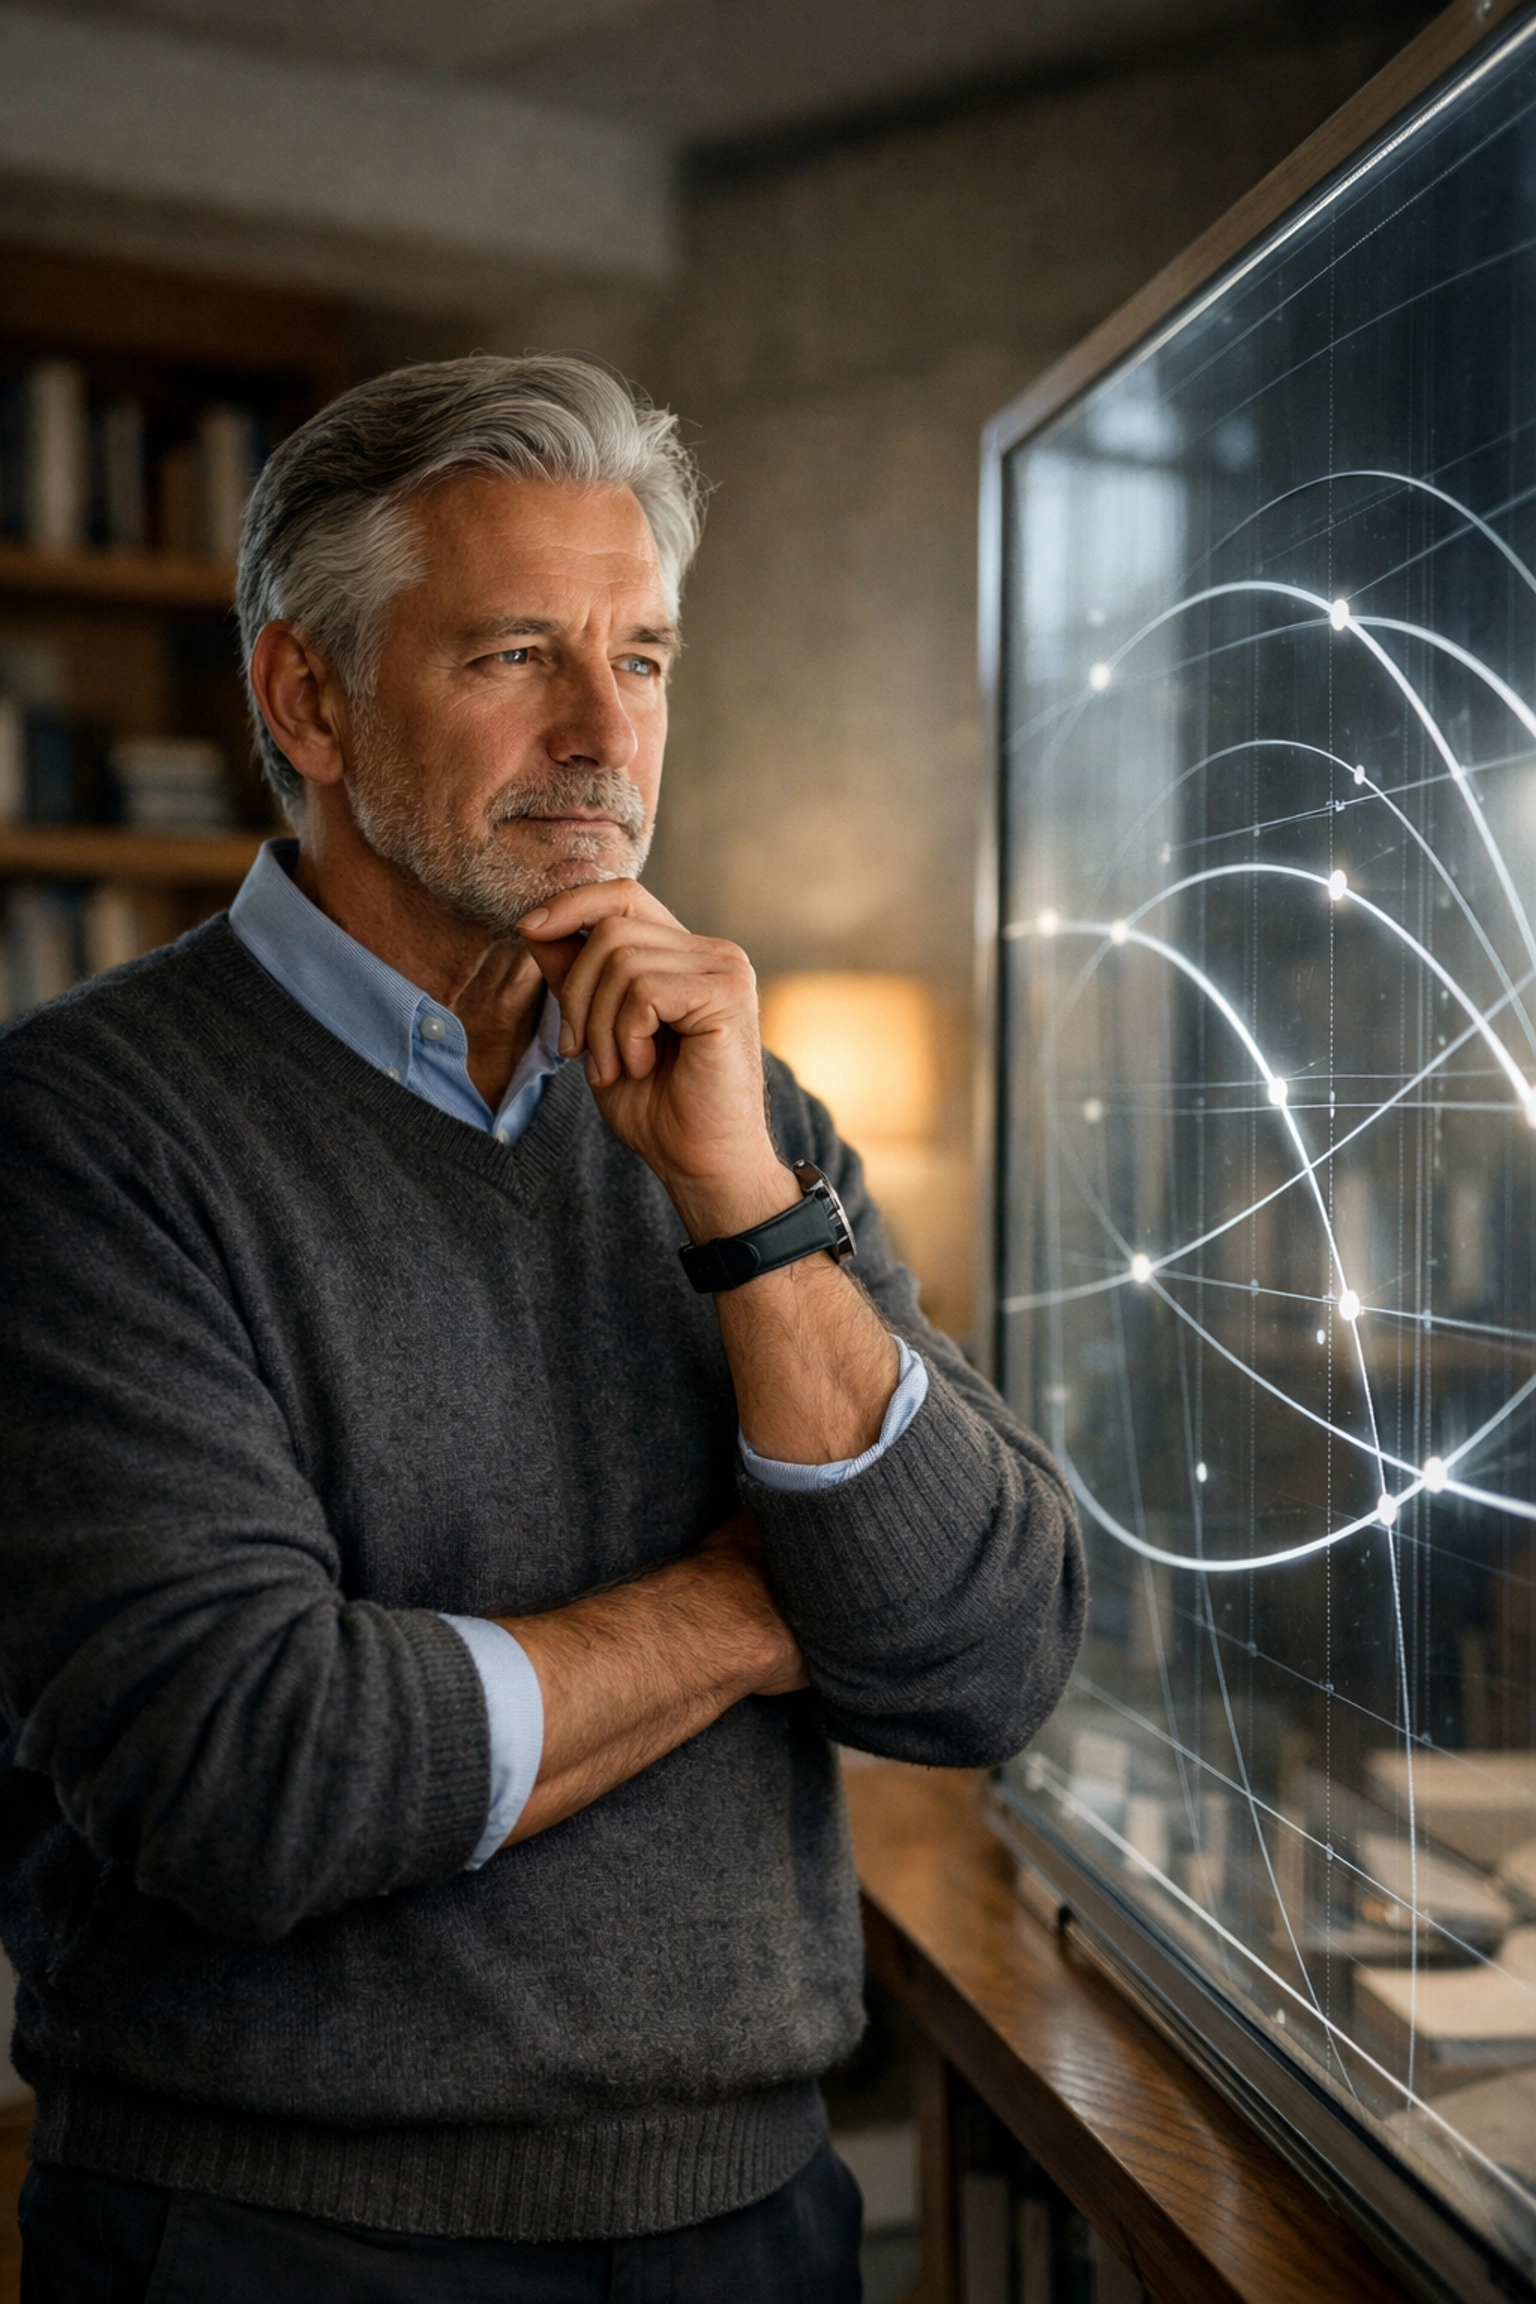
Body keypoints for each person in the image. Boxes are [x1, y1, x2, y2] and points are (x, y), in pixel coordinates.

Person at [0, 355, 1084, 2302]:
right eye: (516, 655)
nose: (606, 735)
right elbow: (254, 1771)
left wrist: (741, 1209)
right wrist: (763, 1606)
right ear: (304, 698)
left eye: (645, 659)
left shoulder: (745, 1113)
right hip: (278, 2246)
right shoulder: (82, 1135)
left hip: (754, 2218)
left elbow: (985, 1661)